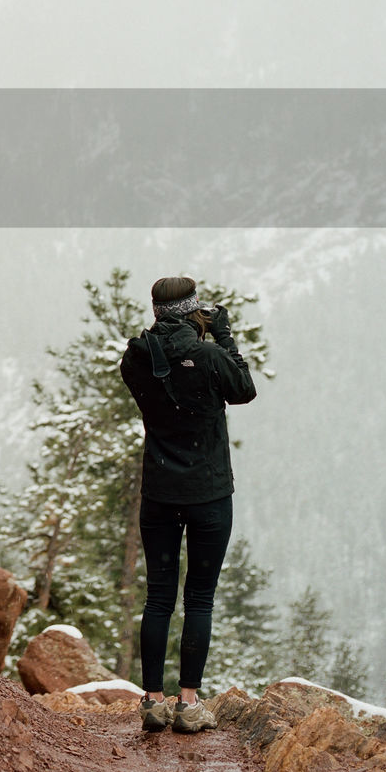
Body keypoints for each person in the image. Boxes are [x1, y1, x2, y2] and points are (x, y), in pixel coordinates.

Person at [118, 275, 257, 734]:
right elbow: (244, 389)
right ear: (194, 310)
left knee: (158, 597)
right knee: (199, 597)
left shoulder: (137, 357)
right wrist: (223, 334)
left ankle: (153, 702)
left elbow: (152, 387)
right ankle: (188, 703)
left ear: (156, 311)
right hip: (209, 494)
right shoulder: (211, 355)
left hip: (160, 493)